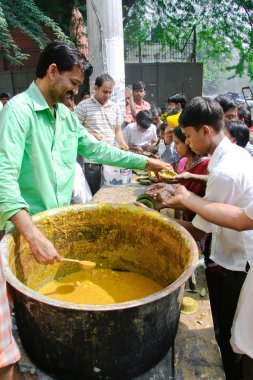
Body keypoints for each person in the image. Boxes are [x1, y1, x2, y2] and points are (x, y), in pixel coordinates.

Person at [0, 41, 173, 379]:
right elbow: (3, 178)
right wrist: (31, 234)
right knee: (26, 311)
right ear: (52, 71)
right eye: (73, 83)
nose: (75, 92)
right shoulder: (18, 112)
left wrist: (145, 160)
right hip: (23, 230)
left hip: (56, 224)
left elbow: (96, 148)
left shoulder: (64, 116)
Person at [148, 97, 253, 380]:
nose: (189, 142)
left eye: (190, 136)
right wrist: (184, 185)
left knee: (230, 328)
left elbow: (199, 228)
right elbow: (211, 196)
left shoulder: (222, 172)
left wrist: (160, 219)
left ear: (205, 130)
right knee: (227, 322)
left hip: (238, 261)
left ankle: (227, 371)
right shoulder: (235, 154)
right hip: (232, 252)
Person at [154, 187, 253, 380]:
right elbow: (241, 217)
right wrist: (186, 198)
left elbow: (239, 220)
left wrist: (186, 198)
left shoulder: (226, 171)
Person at [75, 73, 129, 195]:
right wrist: (90, 134)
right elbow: (73, 129)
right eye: (105, 92)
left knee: (111, 191)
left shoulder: (114, 107)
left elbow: (117, 130)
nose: (108, 95)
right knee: (93, 193)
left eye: (110, 92)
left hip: (110, 157)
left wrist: (122, 143)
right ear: (96, 88)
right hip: (92, 159)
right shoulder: (83, 106)